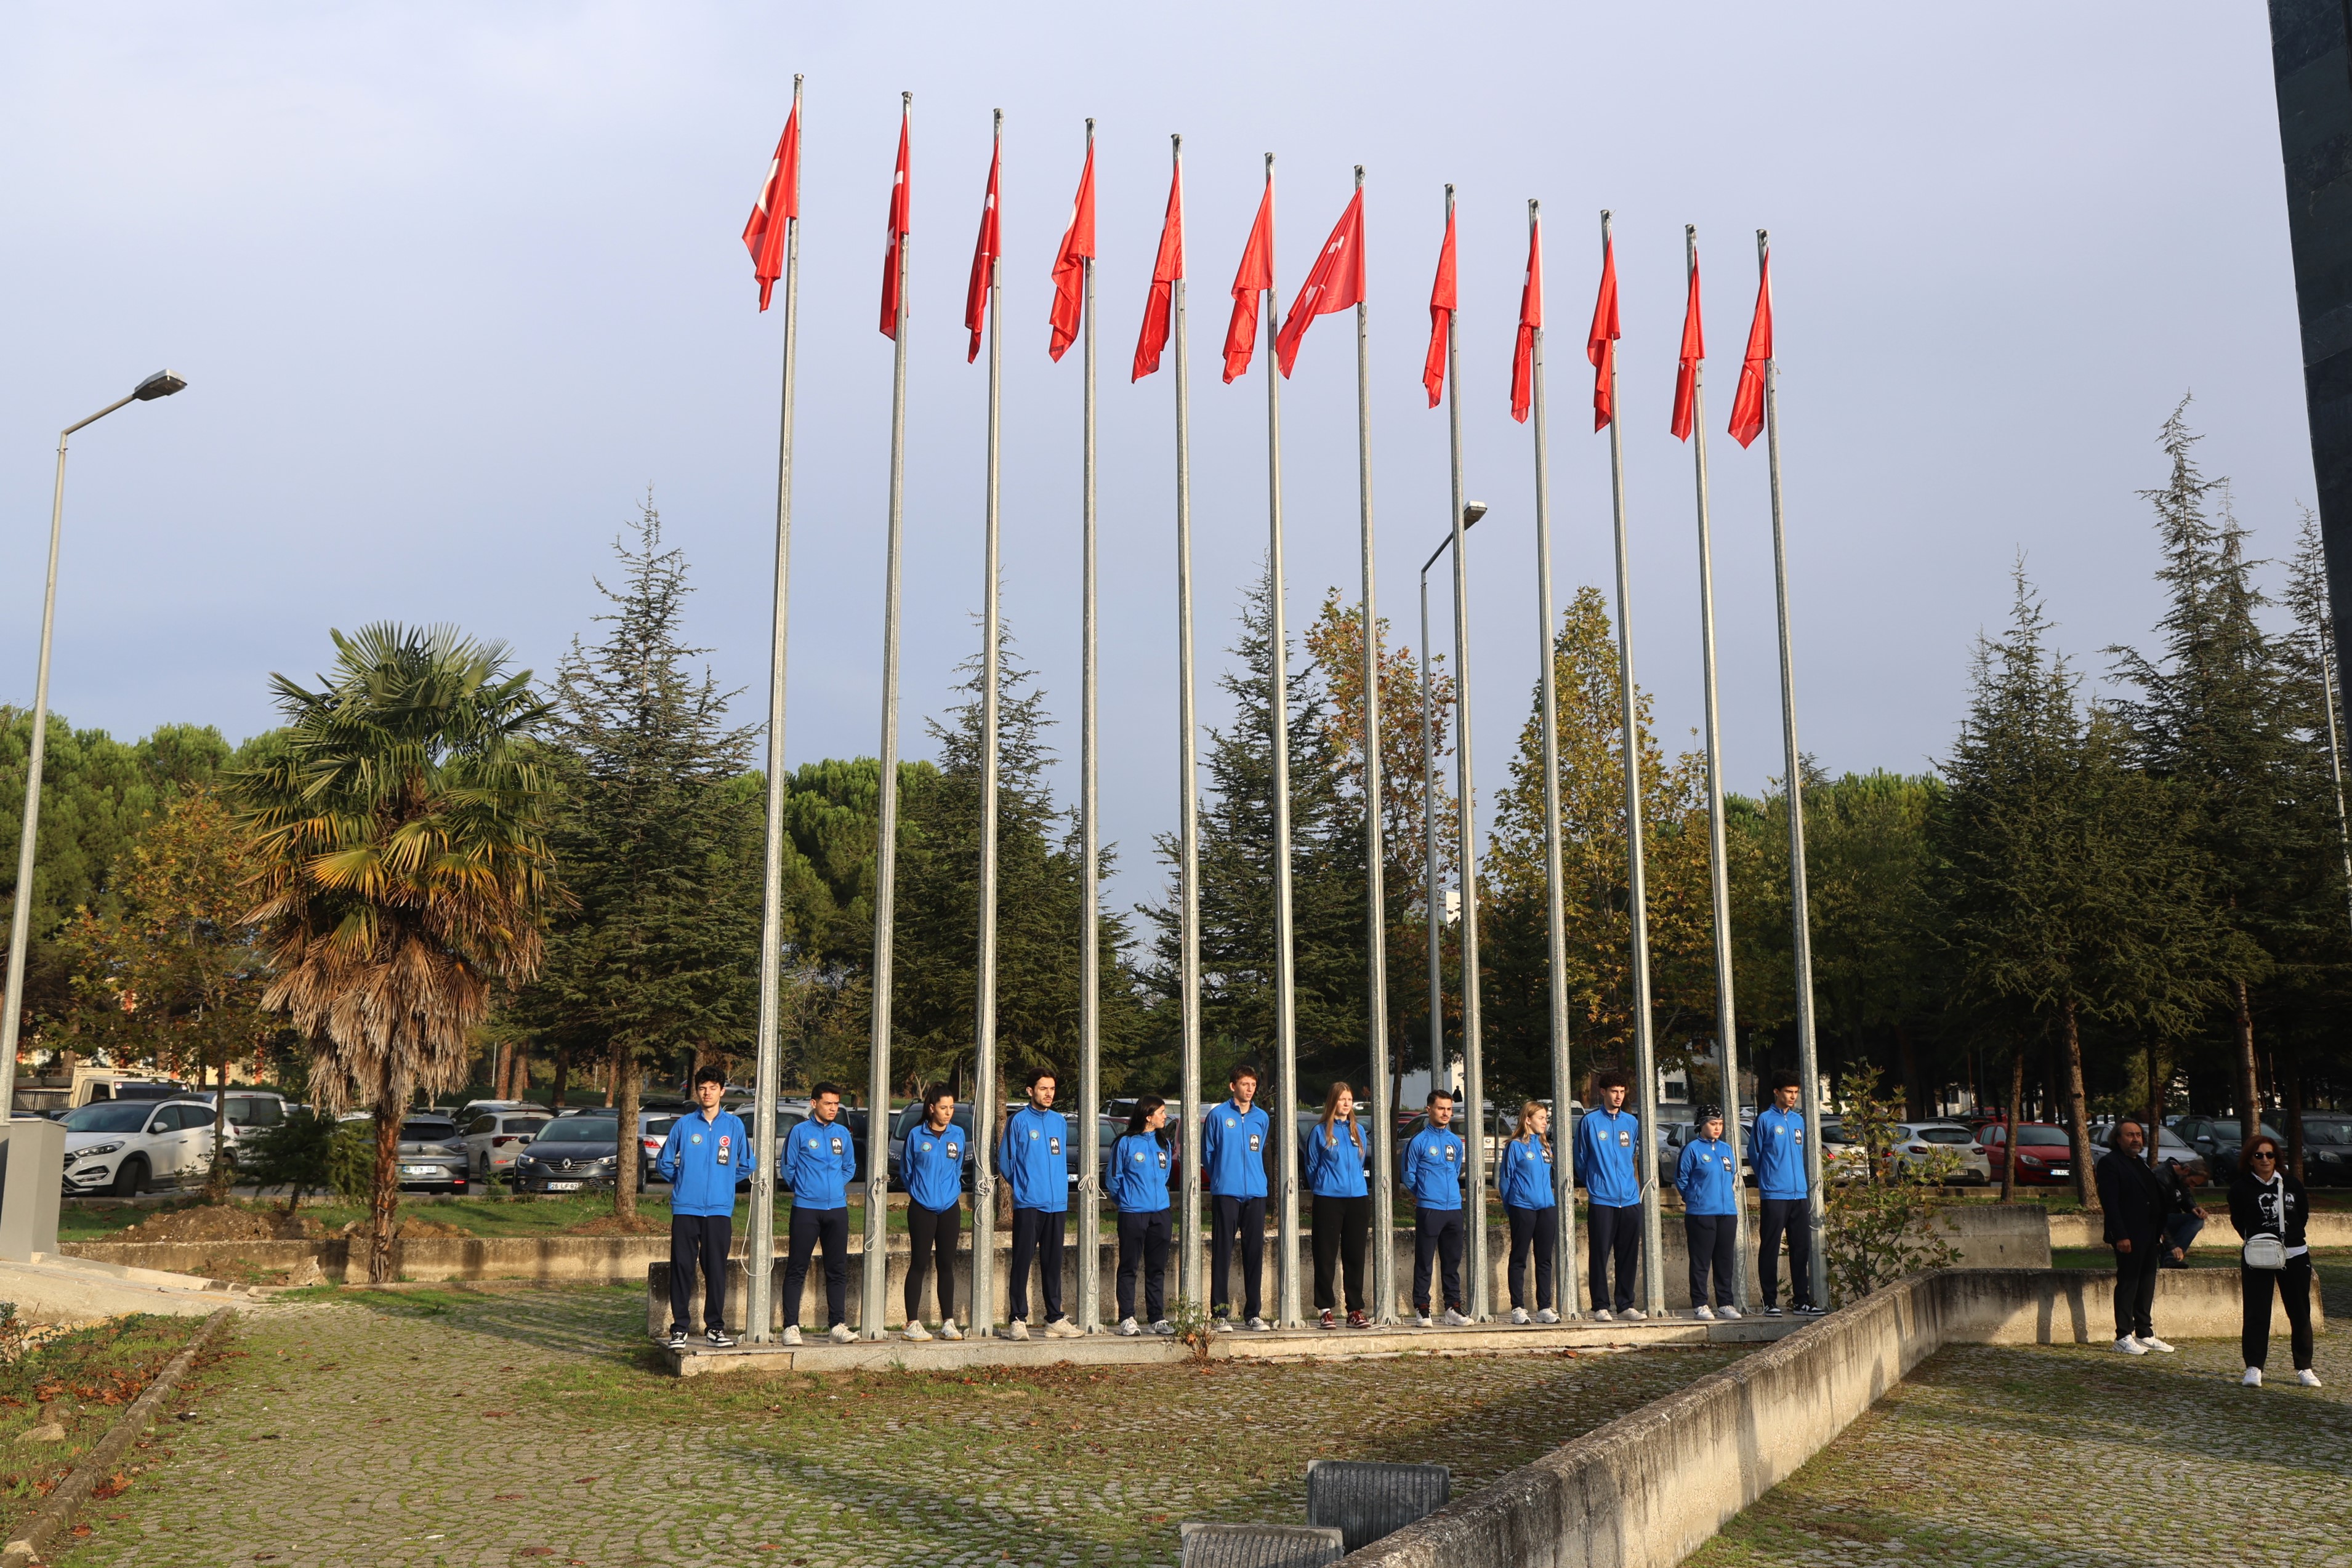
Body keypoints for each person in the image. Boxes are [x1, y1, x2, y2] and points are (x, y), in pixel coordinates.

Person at [653, 1065, 748, 1348]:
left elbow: (747, 1163)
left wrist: (724, 1181)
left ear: (722, 1091)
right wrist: (683, 1180)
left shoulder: (734, 1126)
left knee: (716, 1270)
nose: (707, 1093)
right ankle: (679, 1328)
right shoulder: (684, 1125)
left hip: (719, 1210)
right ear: (697, 1092)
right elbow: (664, 1162)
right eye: (702, 1088)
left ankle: (715, 1328)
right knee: (682, 1268)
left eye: (713, 1088)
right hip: (686, 1209)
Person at [2229, 1135, 2318, 1388]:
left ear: (2276, 1158)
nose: (2265, 1160)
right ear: (2250, 1160)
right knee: (2256, 1312)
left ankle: (2304, 1367)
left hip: (2295, 1254)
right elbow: (2238, 1220)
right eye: (2259, 1155)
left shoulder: (2292, 1184)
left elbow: (2302, 1215)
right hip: (2258, 1255)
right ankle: (2254, 1367)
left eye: (2270, 1155)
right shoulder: (2241, 1188)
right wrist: (2261, 1240)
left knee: (2300, 1312)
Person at [1001, 1067, 1081, 1340]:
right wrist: (1025, 1187)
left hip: (1057, 1203)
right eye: (1043, 1088)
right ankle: (1017, 1318)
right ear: (1030, 1091)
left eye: (1052, 1089)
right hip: (1029, 1204)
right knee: (1022, 1260)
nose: (1049, 1094)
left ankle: (1054, 1318)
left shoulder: (1059, 1122)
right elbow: (1006, 1161)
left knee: (1053, 1262)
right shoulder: (1018, 1121)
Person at [780, 1081, 859, 1346]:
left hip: (836, 1209)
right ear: (814, 1104)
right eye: (828, 1103)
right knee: (797, 1268)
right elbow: (788, 1168)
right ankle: (791, 1327)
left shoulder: (842, 1134)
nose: (833, 1108)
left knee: (837, 1269)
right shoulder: (799, 1132)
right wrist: (805, 1189)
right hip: (806, 1209)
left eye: (836, 1104)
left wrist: (835, 1186)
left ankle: (837, 1325)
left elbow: (849, 1166)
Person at [2093, 1120, 2173, 1355]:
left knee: (2146, 1284)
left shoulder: (2140, 1163)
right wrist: (2121, 1235)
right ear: (2118, 1139)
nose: (2136, 1139)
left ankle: (2144, 1333)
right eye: (2130, 1135)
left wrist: (2159, 1231)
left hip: (2149, 1234)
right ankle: (2123, 1336)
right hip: (2128, 1235)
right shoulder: (2110, 1163)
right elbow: (2111, 1202)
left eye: (2139, 1135)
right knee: (2129, 1283)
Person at [1203, 1063, 1272, 1331]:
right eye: (1245, 1084)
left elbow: (1258, 1149)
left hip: (1256, 1193)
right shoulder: (1218, 1115)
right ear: (1233, 1086)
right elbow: (1209, 1153)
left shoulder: (1261, 1117)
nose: (1250, 1089)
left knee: (1254, 1253)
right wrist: (1222, 1177)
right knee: (1222, 1252)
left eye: (1253, 1085)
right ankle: (1219, 1314)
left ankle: (1253, 1313)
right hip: (1227, 1193)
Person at [1749, 1071, 1821, 1317]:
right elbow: (1756, 1154)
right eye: (1788, 1092)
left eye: (1795, 1092)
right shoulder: (1765, 1120)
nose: (1792, 1097)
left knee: (1801, 1248)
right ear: (1776, 1092)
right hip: (1775, 1194)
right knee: (1771, 1247)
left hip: (1799, 1194)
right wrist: (1768, 1181)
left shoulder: (1799, 1121)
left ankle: (1802, 1301)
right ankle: (1770, 1301)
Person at [1574, 1071, 1645, 1321]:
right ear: (1603, 1092)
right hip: (1602, 1199)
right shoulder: (1590, 1122)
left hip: (1630, 1199)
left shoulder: (1631, 1122)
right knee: (1600, 1253)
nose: (1618, 1096)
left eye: (1622, 1092)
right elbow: (1580, 1159)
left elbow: (1631, 1155)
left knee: (1628, 1254)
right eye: (1614, 1091)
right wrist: (1596, 1183)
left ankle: (1626, 1304)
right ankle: (1601, 1305)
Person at [899, 1084, 967, 1343]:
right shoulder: (916, 1135)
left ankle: (948, 1323)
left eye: (951, 1108)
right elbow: (907, 1171)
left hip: (949, 1207)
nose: (948, 1113)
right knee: (919, 1263)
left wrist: (949, 1192)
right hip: (922, 1208)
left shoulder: (958, 1134)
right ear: (931, 1109)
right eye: (943, 1108)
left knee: (946, 1265)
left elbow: (957, 1168)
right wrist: (920, 1193)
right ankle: (912, 1323)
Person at [1306, 1083, 1373, 1330]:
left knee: (1355, 1256)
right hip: (1329, 1199)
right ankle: (1325, 1310)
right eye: (1342, 1099)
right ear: (1333, 1101)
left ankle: (1354, 1310)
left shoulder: (1359, 1130)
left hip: (1357, 1199)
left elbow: (1360, 1162)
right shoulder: (1320, 1131)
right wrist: (1326, 1186)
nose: (1346, 1104)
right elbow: (1311, 1167)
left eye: (1350, 1099)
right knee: (1325, 1255)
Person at [1403, 1088, 1470, 1326]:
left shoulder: (1455, 1142)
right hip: (1430, 1209)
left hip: (1454, 1209)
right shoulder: (1419, 1141)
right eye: (1441, 1108)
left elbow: (1456, 1170)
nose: (1446, 1113)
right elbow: (1409, 1175)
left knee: (1452, 1262)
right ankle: (1422, 1308)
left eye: (1449, 1109)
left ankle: (1453, 1307)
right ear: (1429, 1109)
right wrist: (1426, 1194)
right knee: (1425, 1261)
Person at [1110, 1096, 1175, 1336]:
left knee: (1157, 1268)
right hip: (1133, 1214)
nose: (1165, 1116)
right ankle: (1127, 1317)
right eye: (1161, 1112)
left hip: (1160, 1214)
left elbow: (1165, 1174)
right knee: (1129, 1266)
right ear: (1148, 1116)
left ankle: (1156, 1317)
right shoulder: (1125, 1143)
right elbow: (1114, 1179)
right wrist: (1128, 1201)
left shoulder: (1164, 1143)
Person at [1676, 1104, 1742, 1322]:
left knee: (1725, 1261)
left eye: (1720, 1124)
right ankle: (1700, 1304)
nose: (1717, 1128)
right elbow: (1682, 1179)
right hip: (1701, 1213)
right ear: (1702, 1125)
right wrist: (1694, 1198)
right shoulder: (1692, 1149)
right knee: (1701, 1261)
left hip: (1727, 1212)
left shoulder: (1726, 1149)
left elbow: (1731, 1175)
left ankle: (1725, 1303)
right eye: (1713, 1124)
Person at [1497, 1100, 1560, 1325]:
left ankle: (1544, 1307)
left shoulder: (1545, 1146)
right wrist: (1513, 1208)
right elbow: (1505, 1180)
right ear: (1528, 1120)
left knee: (1544, 1259)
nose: (1545, 1122)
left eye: (1546, 1118)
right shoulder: (1515, 1146)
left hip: (1546, 1208)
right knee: (1519, 1257)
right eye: (1541, 1118)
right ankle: (1517, 1307)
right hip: (1522, 1208)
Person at [2156, 1159, 2207, 1268]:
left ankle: (2170, 1257)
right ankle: (2171, 1257)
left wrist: (2194, 1208)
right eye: (2192, 1182)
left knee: (2197, 1219)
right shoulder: (2161, 1177)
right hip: (2156, 1221)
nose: (2192, 1186)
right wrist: (2172, 1246)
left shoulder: (2180, 1177)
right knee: (2196, 1221)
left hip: (2166, 1218)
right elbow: (2157, 1214)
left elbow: (2185, 1195)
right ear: (2187, 1171)